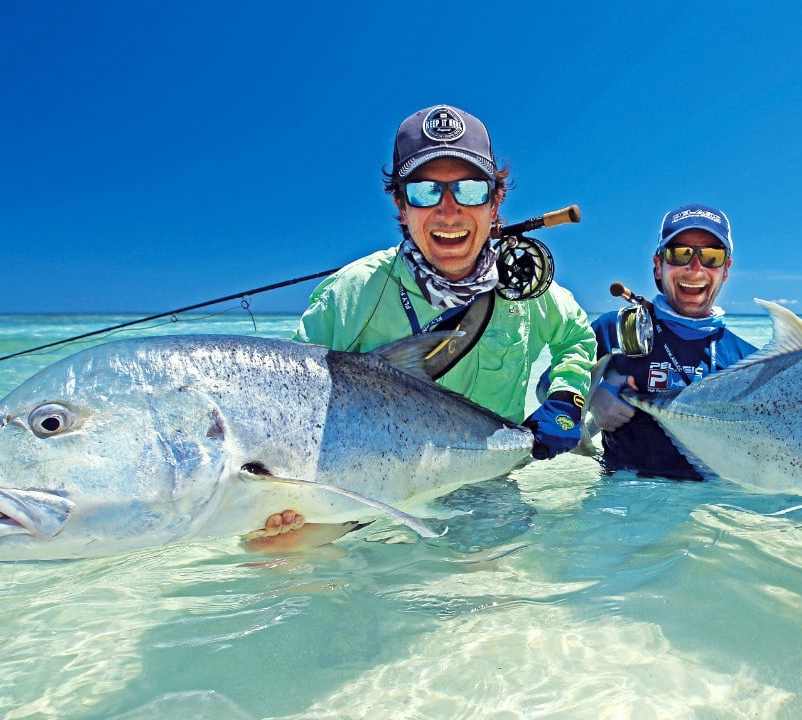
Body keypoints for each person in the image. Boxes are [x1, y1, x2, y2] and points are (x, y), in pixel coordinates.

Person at [254, 104, 595, 547]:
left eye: (471, 190)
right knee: (274, 558)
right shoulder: (351, 293)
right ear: (400, 203)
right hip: (361, 488)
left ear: (495, 202)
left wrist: (566, 398)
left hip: (485, 483)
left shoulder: (526, 291)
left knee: (496, 602)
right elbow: (285, 397)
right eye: (425, 191)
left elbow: (576, 335)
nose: (449, 212)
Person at [587, 204, 758, 480]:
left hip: (714, 510)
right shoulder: (614, 330)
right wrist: (591, 397)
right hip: (620, 506)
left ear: (726, 269)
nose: (694, 268)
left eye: (711, 257)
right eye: (680, 253)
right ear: (659, 265)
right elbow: (549, 387)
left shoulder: (750, 361)